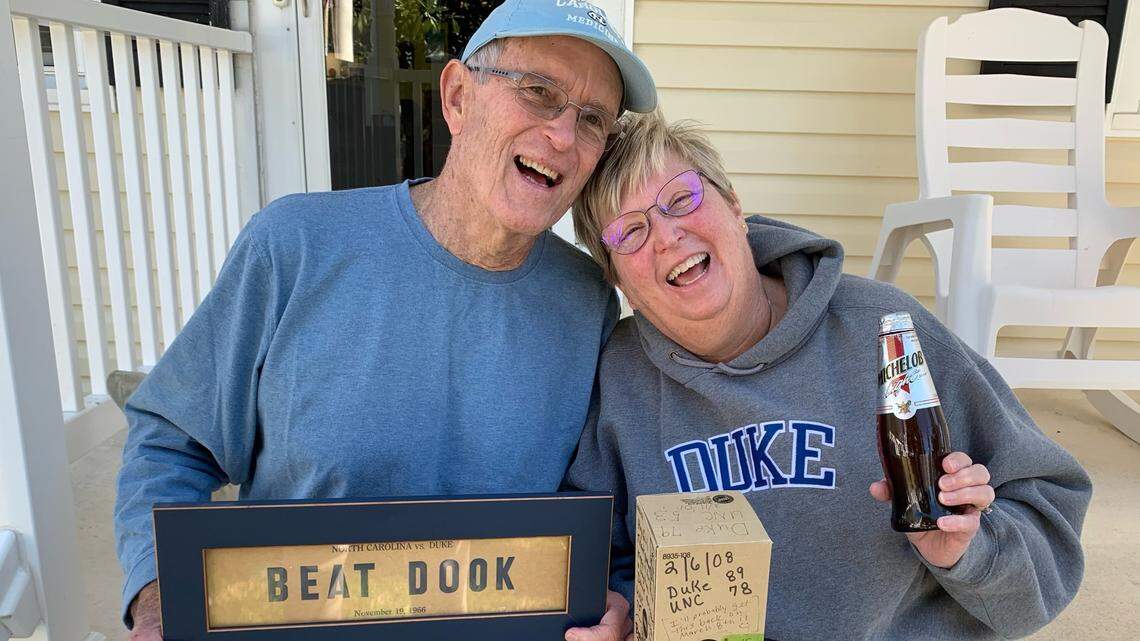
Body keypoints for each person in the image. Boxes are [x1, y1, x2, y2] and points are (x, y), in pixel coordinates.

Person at [113, 2, 656, 640]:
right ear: (458, 97)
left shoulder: (587, 299)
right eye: (539, 93)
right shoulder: (296, 246)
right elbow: (171, 442)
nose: (563, 136)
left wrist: (614, 597)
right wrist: (156, 596)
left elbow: (600, 505)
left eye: (592, 119)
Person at [564, 110, 1092, 640]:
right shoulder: (621, 376)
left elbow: (1046, 544)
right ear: (618, 280)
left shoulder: (886, 336)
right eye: (630, 232)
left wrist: (969, 551)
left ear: (735, 208)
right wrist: (619, 607)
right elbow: (597, 556)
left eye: (682, 199)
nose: (666, 236)